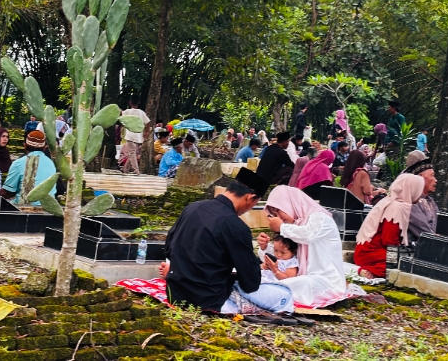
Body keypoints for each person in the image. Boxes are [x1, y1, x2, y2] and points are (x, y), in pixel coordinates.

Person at [162, 169, 297, 322]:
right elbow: (251, 282)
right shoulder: (235, 226)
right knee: (284, 294)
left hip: (176, 293)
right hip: (210, 299)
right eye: (253, 205)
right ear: (250, 198)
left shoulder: (192, 208)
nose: (249, 209)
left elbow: (168, 249)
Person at [261, 185, 349, 306]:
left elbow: (307, 235)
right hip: (306, 277)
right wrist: (264, 247)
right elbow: (285, 255)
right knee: (267, 277)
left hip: (326, 281)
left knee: (300, 283)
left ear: (289, 204)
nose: (278, 217)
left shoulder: (319, 217)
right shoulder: (295, 224)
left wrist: (282, 227)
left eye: (279, 211)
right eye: (274, 214)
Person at [354, 174, 425, 279]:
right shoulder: (396, 207)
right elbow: (388, 240)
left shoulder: (399, 204)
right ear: (412, 189)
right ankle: (370, 270)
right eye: (419, 189)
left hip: (375, 251)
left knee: (408, 261)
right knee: (404, 262)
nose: (421, 194)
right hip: (369, 252)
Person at [0, 131, 57, 203]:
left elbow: (6, 193)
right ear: (44, 148)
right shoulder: (51, 163)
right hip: (49, 209)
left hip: (25, 210)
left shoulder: (18, 163)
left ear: (25, 146)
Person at [402, 150, 438, 243]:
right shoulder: (411, 201)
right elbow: (426, 234)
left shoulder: (430, 200)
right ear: (420, 177)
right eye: (432, 176)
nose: (436, 180)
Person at [121, 96, 150, 175]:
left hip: (130, 135)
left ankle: (136, 170)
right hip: (138, 136)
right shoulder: (141, 112)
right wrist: (146, 131)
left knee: (132, 153)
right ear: (139, 103)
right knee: (132, 153)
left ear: (130, 102)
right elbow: (147, 122)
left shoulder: (127, 111)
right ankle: (125, 168)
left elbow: (120, 115)